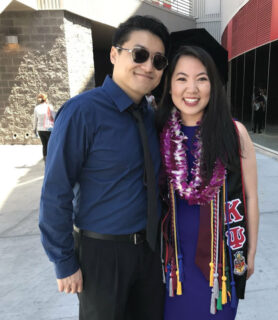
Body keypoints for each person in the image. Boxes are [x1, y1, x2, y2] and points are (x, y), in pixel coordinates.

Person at [39, 15, 169, 320]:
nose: (148, 66)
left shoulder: (151, 116)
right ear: (114, 54)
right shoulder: (81, 112)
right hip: (101, 256)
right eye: (139, 54)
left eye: (158, 60)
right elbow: (55, 191)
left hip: (149, 253)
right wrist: (64, 261)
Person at [156, 46, 259, 320]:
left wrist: (250, 251)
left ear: (213, 84)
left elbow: (250, 197)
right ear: (168, 86)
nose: (192, 88)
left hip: (220, 267)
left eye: (201, 78)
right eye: (181, 78)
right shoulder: (157, 132)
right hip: (171, 268)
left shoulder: (234, 133)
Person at [33, 93, 55, 161]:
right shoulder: (49, 106)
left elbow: (35, 120)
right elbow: (54, 117)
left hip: (40, 130)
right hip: (49, 129)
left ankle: (45, 159)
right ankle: (51, 160)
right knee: (50, 145)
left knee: (44, 145)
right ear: (46, 99)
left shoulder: (36, 108)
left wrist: (34, 129)